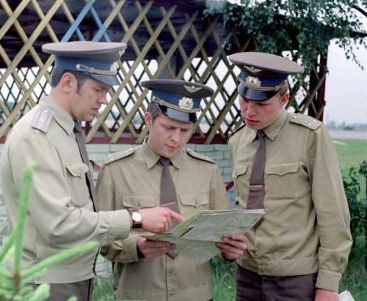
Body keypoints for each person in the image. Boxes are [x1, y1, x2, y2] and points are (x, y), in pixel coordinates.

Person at [0, 41, 184, 301]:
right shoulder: (36, 137)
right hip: (43, 283)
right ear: (67, 82)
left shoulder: (65, 130)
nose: (104, 100)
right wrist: (136, 219)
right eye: (98, 89)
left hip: (68, 277)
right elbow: (59, 224)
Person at [96, 79, 248, 301]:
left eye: (185, 130)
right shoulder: (115, 171)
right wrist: (135, 247)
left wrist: (229, 251)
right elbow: (100, 236)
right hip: (139, 295)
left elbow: (223, 233)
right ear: (149, 119)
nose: (176, 138)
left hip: (196, 295)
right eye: (168, 128)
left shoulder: (207, 171)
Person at [226, 52, 352, 301]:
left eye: (262, 104)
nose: (249, 111)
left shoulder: (310, 136)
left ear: (284, 98)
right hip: (247, 275)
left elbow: (333, 212)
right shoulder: (237, 141)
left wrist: (328, 284)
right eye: (244, 100)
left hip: (296, 279)